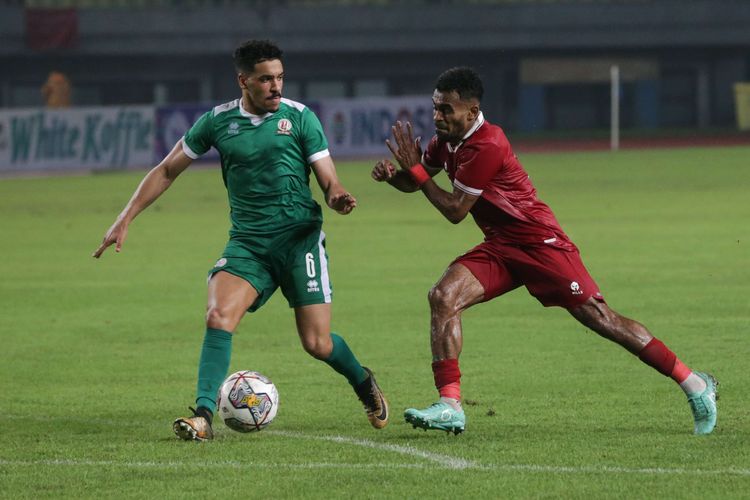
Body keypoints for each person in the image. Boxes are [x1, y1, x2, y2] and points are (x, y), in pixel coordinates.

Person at [372, 66, 717, 436]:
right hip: (502, 247)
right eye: (436, 107)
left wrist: (417, 174)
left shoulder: (488, 143)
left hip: (540, 244)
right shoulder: (446, 142)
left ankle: (695, 385)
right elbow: (416, 182)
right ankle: (451, 406)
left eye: (446, 110)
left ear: (471, 111)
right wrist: (396, 177)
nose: (437, 116)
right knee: (443, 296)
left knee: (602, 320)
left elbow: (455, 210)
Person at [93, 39, 389, 441]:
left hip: (299, 243)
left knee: (317, 343)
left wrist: (336, 196)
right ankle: (203, 416)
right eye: (266, 79)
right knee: (218, 316)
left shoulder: (301, 118)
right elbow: (166, 171)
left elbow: (329, 178)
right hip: (249, 245)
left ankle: (362, 380)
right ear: (243, 81)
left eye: (280, 78)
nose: (276, 87)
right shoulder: (216, 122)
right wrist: (125, 217)